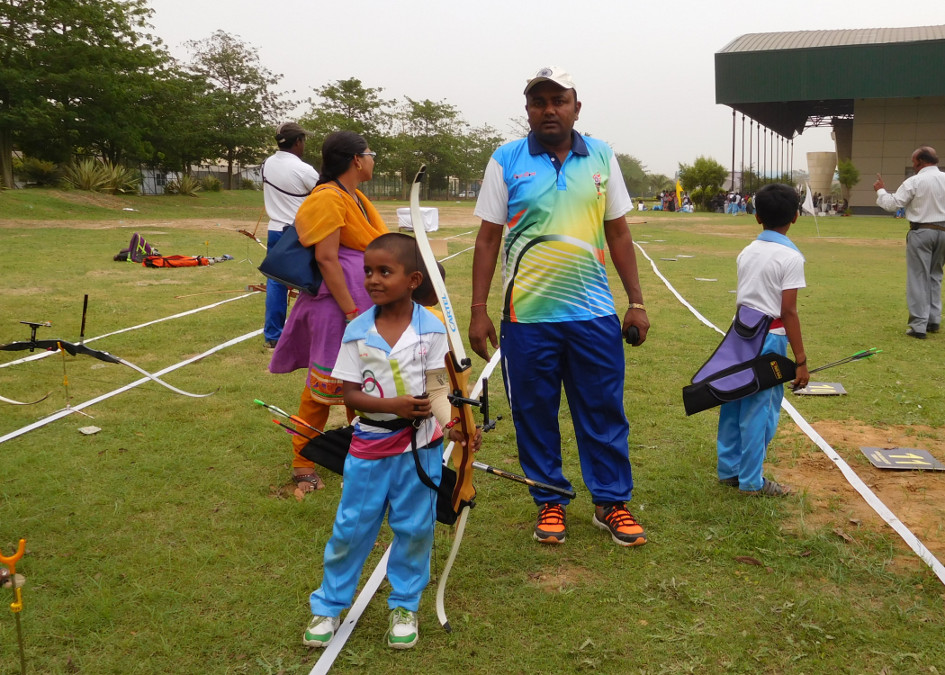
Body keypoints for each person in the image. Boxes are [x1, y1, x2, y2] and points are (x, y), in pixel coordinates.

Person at [469, 66, 650, 548]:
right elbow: (488, 239)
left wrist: (635, 301)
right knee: (534, 412)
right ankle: (550, 499)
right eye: (538, 101)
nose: (549, 109)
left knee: (603, 410)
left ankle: (611, 503)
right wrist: (478, 309)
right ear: (527, 109)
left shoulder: (602, 157)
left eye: (559, 100)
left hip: (593, 315)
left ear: (576, 106)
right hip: (525, 318)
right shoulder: (505, 159)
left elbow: (618, 233)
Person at [302, 233, 481, 650]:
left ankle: (404, 605)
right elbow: (350, 395)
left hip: (421, 448)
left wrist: (453, 427)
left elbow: (439, 388)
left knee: (415, 528)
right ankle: (328, 606)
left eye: (385, 271)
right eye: (368, 271)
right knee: (351, 527)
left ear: (414, 279)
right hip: (370, 444)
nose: (373, 280)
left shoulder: (431, 328)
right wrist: (395, 405)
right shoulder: (358, 330)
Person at [269, 131, 388, 494]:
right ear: (355, 159)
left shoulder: (357, 198)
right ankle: (303, 462)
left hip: (363, 306)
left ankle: (364, 452)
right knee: (321, 389)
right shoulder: (327, 198)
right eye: (370, 153)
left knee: (367, 381)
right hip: (337, 309)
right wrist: (352, 311)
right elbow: (326, 257)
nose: (373, 159)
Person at [717, 183, 809, 496]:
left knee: (733, 401)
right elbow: (789, 312)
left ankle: (729, 470)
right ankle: (751, 482)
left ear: (757, 217)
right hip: (769, 338)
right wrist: (801, 361)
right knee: (761, 409)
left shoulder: (747, 251)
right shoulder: (791, 257)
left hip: (739, 335)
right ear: (796, 216)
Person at [873, 146, 945, 339]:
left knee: (918, 277)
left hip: (922, 231)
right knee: (935, 275)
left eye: (914, 162)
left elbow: (892, 204)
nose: (913, 165)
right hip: (943, 232)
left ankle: (918, 326)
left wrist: (881, 191)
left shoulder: (915, 181)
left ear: (920, 161)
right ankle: (933, 319)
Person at [261, 122, 320, 348]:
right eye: (303, 141)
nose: (304, 145)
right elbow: (324, 194)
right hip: (298, 231)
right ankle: (312, 331)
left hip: (275, 229)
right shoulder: (303, 169)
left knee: (276, 283)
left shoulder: (266, 164)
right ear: (297, 142)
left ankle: (273, 335)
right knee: (313, 280)